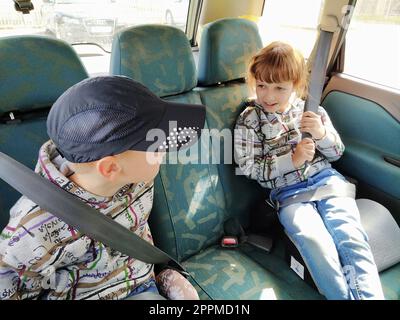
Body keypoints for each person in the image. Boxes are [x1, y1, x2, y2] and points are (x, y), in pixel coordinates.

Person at [0, 75, 204, 300]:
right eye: (156, 148)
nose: (164, 150)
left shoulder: (138, 179)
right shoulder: (32, 228)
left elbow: (137, 233)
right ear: (110, 169)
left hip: (141, 281)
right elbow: (8, 284)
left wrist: (156, 273)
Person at [234, 41, 384, 300]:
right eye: (261, 86)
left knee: (351, 240)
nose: (268, 96)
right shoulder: (250, 119)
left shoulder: (312, 112)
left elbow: (336, 152)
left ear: (296, 85)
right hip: (288, 194)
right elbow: (247, 166)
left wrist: (321, 134)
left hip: (327, 182)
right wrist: (290, 161)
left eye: (279, 88)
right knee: (317, 244)